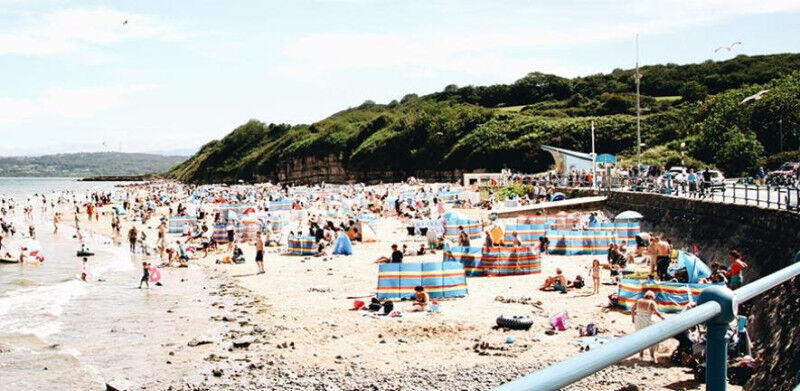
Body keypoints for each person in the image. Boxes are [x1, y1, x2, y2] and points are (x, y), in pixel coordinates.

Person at [632, 290, 665, 362]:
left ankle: (641, 356)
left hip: (638, 320)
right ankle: (652, 357)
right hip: (647, 320)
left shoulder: (638, 301)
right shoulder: (651, 303)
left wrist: (633, 318)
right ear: (651, 297)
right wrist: (662, 317)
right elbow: (656, 311)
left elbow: (632, 309)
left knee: (640, 338)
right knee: (650, 338)